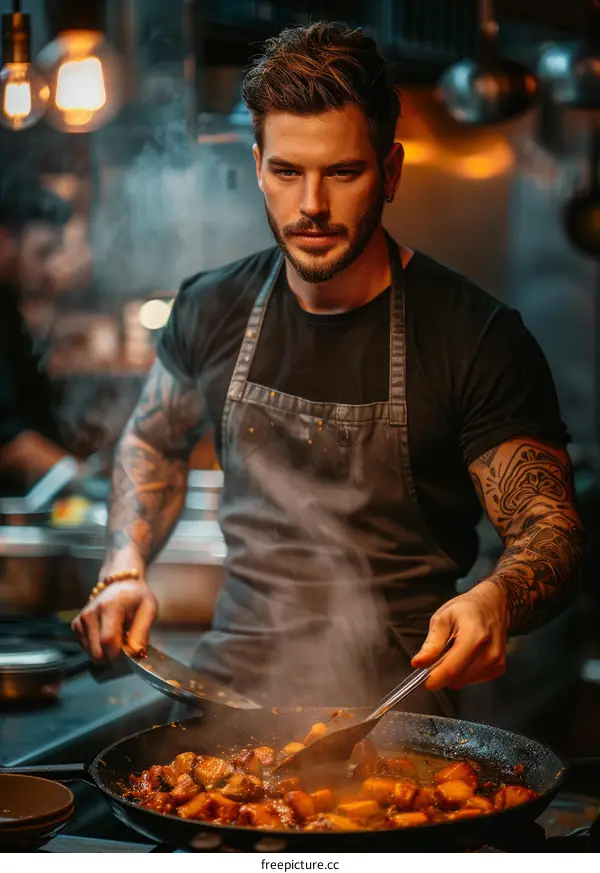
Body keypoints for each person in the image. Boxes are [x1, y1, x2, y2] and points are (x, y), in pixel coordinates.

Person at [72, 23, 583, 714]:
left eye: (342, 172)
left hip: (393, 722)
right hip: (223, 705)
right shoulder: (210, 306)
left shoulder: (476, 337)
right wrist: (122, 570)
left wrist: (496, 595)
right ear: (258, 166)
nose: (311, 205)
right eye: (287, 172)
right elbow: (152, 440)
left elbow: (549, 529)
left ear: (390, 170)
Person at [0, 171, 75, 493]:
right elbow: (9, 441)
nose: (51, 268)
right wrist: (80, 477)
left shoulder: (9, 308)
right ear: (4, 240)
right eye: (43, 252)